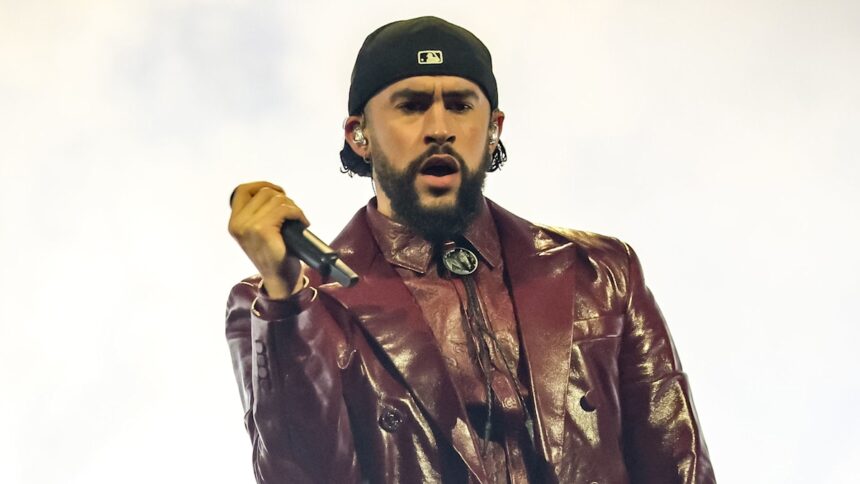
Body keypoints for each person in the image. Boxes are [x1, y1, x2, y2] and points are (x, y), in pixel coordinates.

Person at [225, 16, 715, 484]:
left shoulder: (601, 273)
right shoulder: (285, 304)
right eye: (411, 106)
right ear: (359, 135)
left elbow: (678, 463)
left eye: (460, 105)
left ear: (494, 126)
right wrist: (286, 299)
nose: (440, 127)